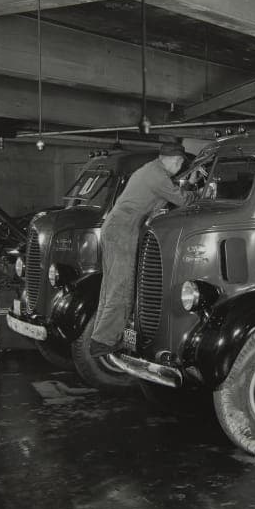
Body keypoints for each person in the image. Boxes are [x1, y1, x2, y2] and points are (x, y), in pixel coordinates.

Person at [89, 142, 195, 357]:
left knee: (110, 286)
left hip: (115, 226)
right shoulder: (157, 176)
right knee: (122, 286)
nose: (180, 166)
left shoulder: (151, 169)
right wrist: (194, 189)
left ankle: (99, 336)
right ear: (176, 160)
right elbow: (183, 201)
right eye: (181, 163)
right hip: (124, 229)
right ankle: (104, 341)